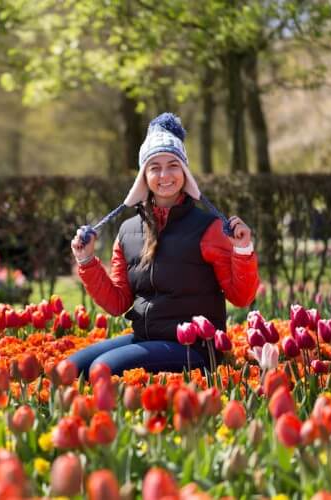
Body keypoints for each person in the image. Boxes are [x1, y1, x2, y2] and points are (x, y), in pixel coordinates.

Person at [68, 113, 259, 376]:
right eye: (154, 167)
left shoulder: (209, 228)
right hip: (147, 338)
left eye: (173, 165)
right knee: (68, 369)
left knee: (101, 369)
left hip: (194, 345)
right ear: (143, 175)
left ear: (185, 171)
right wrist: (87, 261)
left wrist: (243, 250)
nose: (164, 174)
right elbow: (118, 303)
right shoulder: (128, 231)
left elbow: (242, 296)